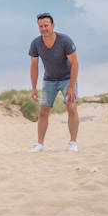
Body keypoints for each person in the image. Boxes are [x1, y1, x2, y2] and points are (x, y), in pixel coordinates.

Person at [28, 12, 79, 152]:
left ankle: (73, 142)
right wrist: (33, 87)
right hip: (49, 79)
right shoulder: (36, 43)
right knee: (43, 111)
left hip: (67, 78)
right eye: (40, 26)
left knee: (71, 107)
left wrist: (72, 86)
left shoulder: (65, 41)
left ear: (53, 25)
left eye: (46, 25)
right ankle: (40, 144)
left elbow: (75, 63)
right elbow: (34, 66)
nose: (44, 28)